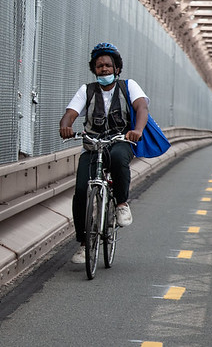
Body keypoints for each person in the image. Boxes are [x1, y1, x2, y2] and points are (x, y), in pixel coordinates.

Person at [59, 42, 149, 264]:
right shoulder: (86, 91)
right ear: (94, 69)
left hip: (120, 141)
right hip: (93, 144)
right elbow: (70, 113)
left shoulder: (129, 86)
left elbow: (141, 108)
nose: (104, 69)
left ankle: (121, 204)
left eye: (108, 65)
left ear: (117, 68)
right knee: (81, 191)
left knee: (119, 158)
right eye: (99, 66)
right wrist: (65, 125)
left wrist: (136, 130)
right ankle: (83, 243)